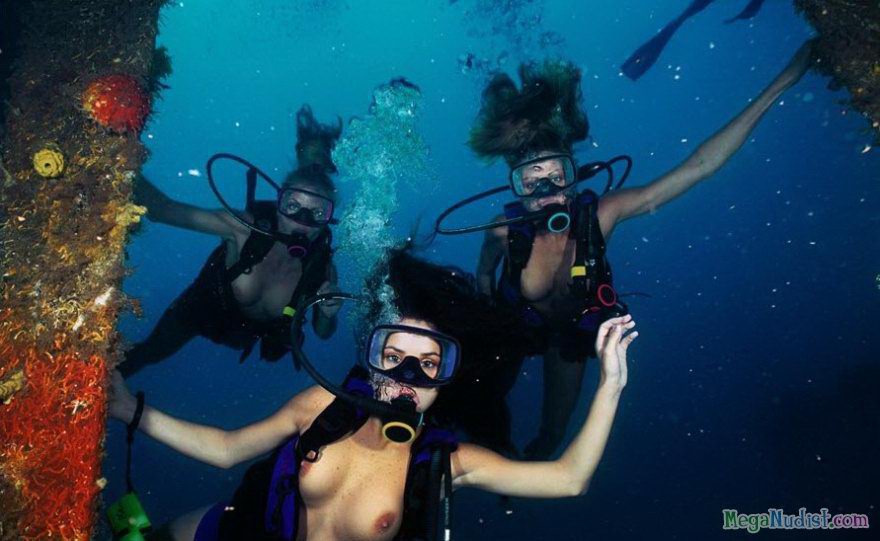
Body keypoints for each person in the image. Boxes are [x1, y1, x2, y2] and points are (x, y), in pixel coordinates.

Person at [107, 248, 637, 541]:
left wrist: (610, 384)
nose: (406, 376)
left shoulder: (446, 463)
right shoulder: (321, 407)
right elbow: (227, 449)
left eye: (427, 364)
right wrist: (130, 409)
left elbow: (568, 479)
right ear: (371, 356)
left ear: (446, 379)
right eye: (393, 355)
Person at [463, 41, 813, 459]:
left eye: (558, 175)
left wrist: (783, 82)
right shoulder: (503, 231)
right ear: (515, 186)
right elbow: (484, 275)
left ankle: (519, 480)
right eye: (532, 181)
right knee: (478, 407)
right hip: (515, 326)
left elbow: (699, 167)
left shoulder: (601, 215)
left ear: (574, 175)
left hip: (568, 339)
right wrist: (486, 318)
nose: (547, 191)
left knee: (551, 436)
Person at [120, 106, 342, 376]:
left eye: (318, 213)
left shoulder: (321, 267)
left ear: (328, 219)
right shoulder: (243, 228)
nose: (302, 221)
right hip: (200, 310)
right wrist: (117, 158)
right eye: (293, 206)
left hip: (246, 336)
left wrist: (328, 314)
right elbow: (161, 210)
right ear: (278, 203)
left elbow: (323, 331)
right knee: (149, 354)